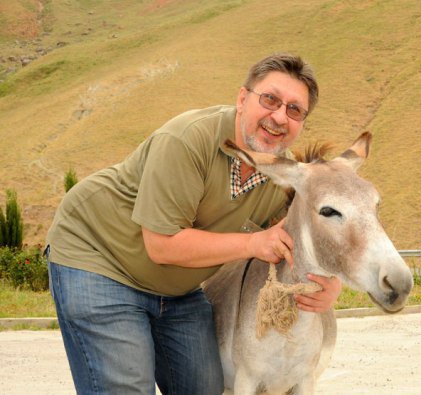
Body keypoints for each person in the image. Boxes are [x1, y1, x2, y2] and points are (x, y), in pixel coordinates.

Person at [46, 53, 342, 394]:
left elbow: (300, 244)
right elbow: (161, 244)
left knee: (203, 388)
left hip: (176, 291)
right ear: (243, 99)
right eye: (270, 99)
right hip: (98, 257)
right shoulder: (187, 139)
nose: (279, 116)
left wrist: (328, 285)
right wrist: (251, 243)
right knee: (127, 387)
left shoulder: (285, 177)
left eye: (294, 110)